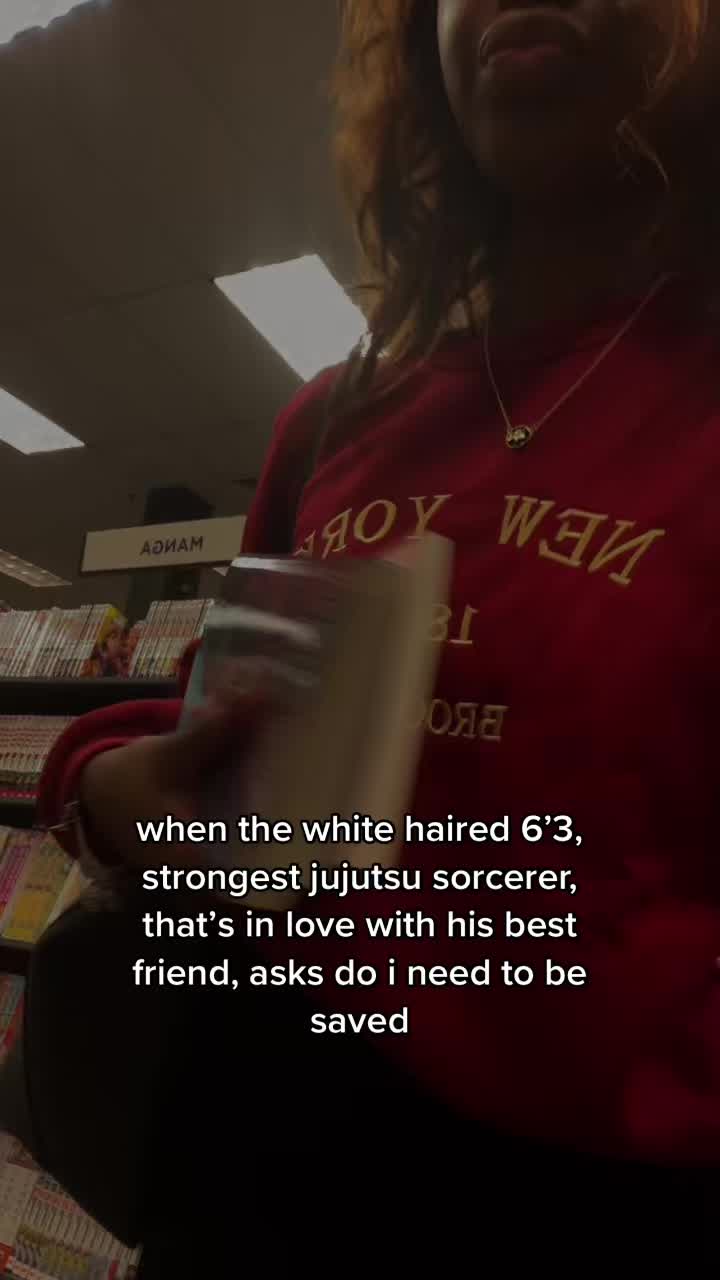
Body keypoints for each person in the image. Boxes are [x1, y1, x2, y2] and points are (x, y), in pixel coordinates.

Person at [35, 0, 719, 1269]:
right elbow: (209, 733)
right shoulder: (339, 416)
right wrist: (109, 783)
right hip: (252, 1148)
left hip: (608, 1200)